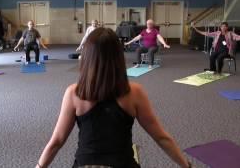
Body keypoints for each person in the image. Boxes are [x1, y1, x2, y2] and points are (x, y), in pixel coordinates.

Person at [35, 28, 191, 168]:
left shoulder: (74, 93)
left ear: (87, 57)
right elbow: (161, 138)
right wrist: (186, 165)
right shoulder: (134, 92)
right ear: (118, 58)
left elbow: (56, 142)